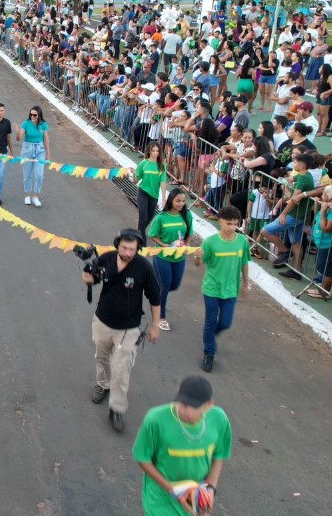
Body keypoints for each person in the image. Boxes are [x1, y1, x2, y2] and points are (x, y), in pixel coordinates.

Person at [84, 229, 161, 433]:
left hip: (128, 328)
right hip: (102, 320)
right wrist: (87, 273)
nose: (127, 252)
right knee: (101, 357)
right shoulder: (107, 259)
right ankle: (102, 384)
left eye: (132, 249)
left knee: (121, 368)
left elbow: (155, 297)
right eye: (124, 247)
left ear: (138, 249)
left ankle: (116, 408)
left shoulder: (144, 267)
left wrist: (155, 325)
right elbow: (92, 280)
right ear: (118, 244)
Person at [133, 376, 231, 516]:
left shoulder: (220, 419)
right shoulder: (155, 419)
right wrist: (172, 489)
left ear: (209, 405)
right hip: (161, 502)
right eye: (183, 403)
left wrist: (210, 491)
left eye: (194, 407)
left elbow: (219, 456)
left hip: (195, 501)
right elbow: (142, 458)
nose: (186, 411)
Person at [195, 206, 251, 373]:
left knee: (225, 322)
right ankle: (209, 353)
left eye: (235, 224)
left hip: (231, 289)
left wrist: (245, 284)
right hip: (211, 288)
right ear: (220, 222)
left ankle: (209, 336)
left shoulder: (242, 241)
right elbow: (198, 264)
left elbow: (244, 263)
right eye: (229, 224)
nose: (232, 228)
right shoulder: (210, 242)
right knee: (211, 321)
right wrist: (197, 256)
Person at [146, 188, 193, 331]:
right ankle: (161, 316)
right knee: (165, 286)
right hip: (162, 256)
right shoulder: (161, 217)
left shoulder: (187, 215)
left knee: (174, 285)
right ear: (170, 200)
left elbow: (189, 232)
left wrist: (187, 246)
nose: (181, 204)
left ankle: (158, 293)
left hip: (179, 256)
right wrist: (164, 245)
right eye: (178, 201)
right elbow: (152, 234)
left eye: (183, 201)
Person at [17, 106, 50, 207]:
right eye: (31, 114)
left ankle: (35, 196)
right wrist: (18, 131)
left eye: (34, 115)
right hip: (27, 150)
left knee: (39, 175)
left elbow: (46, 139)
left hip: (40, 150)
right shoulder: (25, 123)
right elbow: (19, 138)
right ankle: (27, 195)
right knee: (27, 174)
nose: (32, 116)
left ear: (39, 115)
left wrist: (48, 154)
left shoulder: (43, 125)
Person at [135, 143, 167, 238]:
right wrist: (133, 174)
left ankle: (139, 231)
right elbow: (135, 180)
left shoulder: (162, 166)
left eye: (157, 151)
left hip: (154, 195)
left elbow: (163, 181)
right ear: (149, 151)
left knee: (148, 218)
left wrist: (164, 196)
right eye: (153, 151)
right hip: (143, 192)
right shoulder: (143, 164)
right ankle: (141, 241)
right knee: (143, 217)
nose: (155, 153)